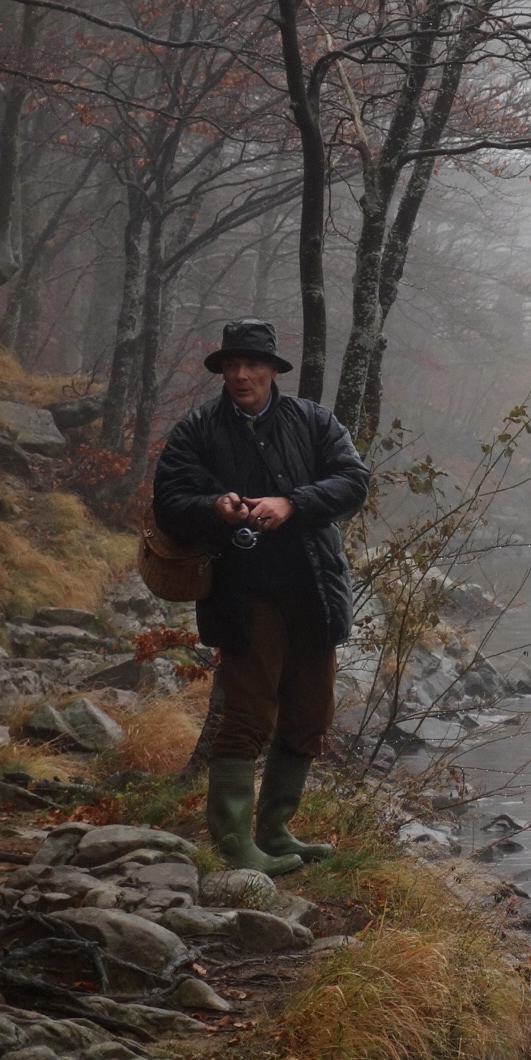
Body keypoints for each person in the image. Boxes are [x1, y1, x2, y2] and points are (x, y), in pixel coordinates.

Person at [153, 319, 369, 875]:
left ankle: (275, 832)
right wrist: (212, 507)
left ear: (274, 370)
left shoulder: (315, 421)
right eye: (231, 365)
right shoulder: (198, 427)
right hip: (240, 592)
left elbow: (354, 481)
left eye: (252, 364)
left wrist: (291, 504)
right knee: (248, 714)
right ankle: (232, 843)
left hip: (315, 588)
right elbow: (170, 500)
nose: (241, 374)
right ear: (222, 369)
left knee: (309, 714)